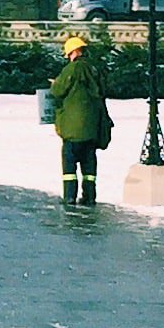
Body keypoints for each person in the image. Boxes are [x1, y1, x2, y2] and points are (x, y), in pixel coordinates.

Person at [47, 32, 111, 209]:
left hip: (73, 129)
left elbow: (58, 91)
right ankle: (89, 197)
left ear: (73, 52)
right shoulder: (94, 68)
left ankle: (69, 197)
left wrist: (54, 84)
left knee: (69, 164)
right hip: (92, 128)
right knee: (89, 165)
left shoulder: (72, 69)